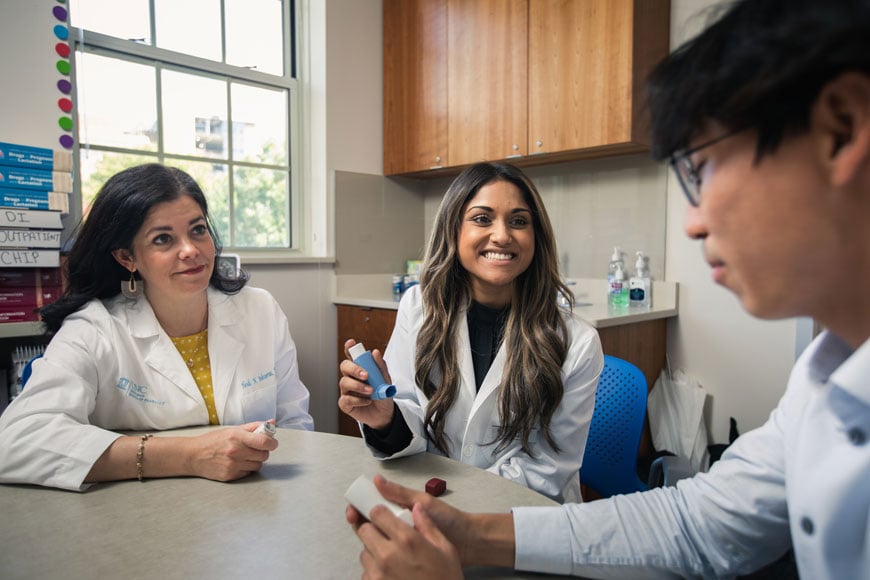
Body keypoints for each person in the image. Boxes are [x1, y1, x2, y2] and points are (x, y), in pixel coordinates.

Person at [345, 0, 870, 578]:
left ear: (841, 129)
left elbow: (558, 477)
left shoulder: (574, 338)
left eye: (703, 167)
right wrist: (465, 535)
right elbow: (699, 526)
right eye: (481, 218)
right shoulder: (822, 381)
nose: (692, 222)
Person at [0, 164, 314, 491]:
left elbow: (296, 425)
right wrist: (188, 455)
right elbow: (14, 442)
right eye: (163, 239)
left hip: (255, 506)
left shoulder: (259, 309)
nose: (191, 250)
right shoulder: (94, 329)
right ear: (127, 258)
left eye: (197, 230)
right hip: (144, 519)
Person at [338, 162, 603, 503]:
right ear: (454, 230)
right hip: (432, 504)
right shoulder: (419, 307)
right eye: (482, 218)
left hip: (523, 524)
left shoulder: (577, 342)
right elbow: (410, 410)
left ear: (536, 237)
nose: (503, 235)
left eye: (519, 221)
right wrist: (387, 419)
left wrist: (452, 503)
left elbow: (546, 470)